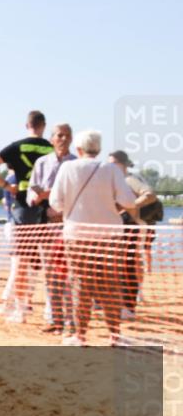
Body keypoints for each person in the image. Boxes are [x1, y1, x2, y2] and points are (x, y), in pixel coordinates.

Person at [50, 130, 136, 346]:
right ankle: (114, 335)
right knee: (111, 284)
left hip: (77, 234)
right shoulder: (111, 169)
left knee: (80, 284)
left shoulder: (67, 168)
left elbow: (55, 203)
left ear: (78, 149)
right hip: (109, 236)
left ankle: (80, 336)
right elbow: (128, 201)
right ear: (98, 148)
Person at [0, 110, 54, 323]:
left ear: (27, 125)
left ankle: (20, 309)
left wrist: (6, 185)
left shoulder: (17, 146)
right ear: (43, 125)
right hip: (48, 207)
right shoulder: (52, 148)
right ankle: (51, 310)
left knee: (21, 260)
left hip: (23, 205)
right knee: (48, 260)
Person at [27, 123, 76, 335]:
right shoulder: (41, 163)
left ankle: (72, 321)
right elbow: (31, 191)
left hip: (69, 224)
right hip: (47, 225)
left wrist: (56, 200)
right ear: (52, 139)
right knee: (51, 272)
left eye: (67, 135)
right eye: (59, 135)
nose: (63, 139)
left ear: (71, 139)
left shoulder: (76, 163)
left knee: (71, 273)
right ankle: (56, 319)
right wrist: (37, 198)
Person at [109, 150, 158, 320]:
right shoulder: (114, 179)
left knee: (127, 265)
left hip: (129, 226)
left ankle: (128, 307)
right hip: (114, 226)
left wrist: (130, 206)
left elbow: (149, 194)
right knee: (112, 265)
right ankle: (109, 302)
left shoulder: (130, 179)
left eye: (112, 163)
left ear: (122, 164)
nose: (108, 166)